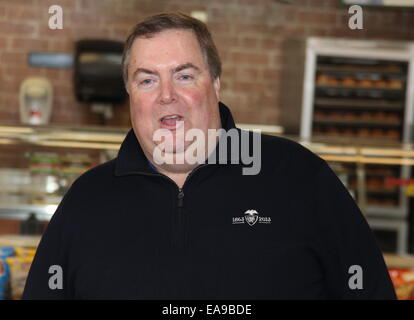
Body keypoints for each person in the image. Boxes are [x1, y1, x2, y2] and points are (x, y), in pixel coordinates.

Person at [23, 12, 396, 300]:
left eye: (184, 76)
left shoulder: (300, 178)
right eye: (147, 79)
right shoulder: (87, 200)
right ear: (130, 94)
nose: (166, 95)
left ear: (215, 83)